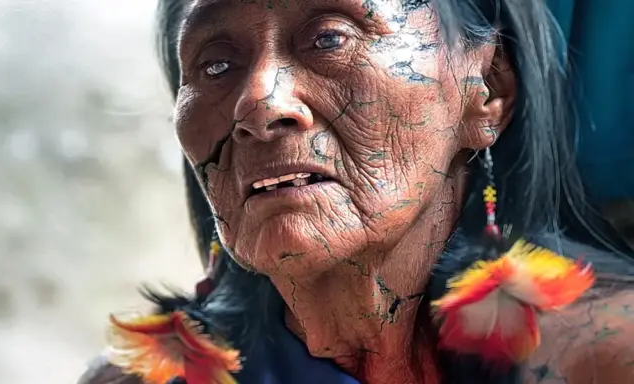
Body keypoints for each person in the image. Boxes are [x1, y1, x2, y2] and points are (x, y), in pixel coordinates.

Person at [79, 0, 634, 383]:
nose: (259, 103)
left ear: (484, 91)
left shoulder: (604, 357)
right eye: (216, 64)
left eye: (328, 37)